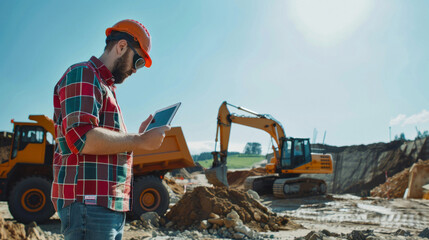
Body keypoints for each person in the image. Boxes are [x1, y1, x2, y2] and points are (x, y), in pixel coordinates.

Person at [51, 19, 170, 240]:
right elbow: (82, 138)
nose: (136, 70)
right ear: (122, 46)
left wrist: (138, 138)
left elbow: (104, 143)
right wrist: (138, 140)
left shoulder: (104, 86)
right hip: (89, 203)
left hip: (104, 205)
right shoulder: (83, 74)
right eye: (139, 62)